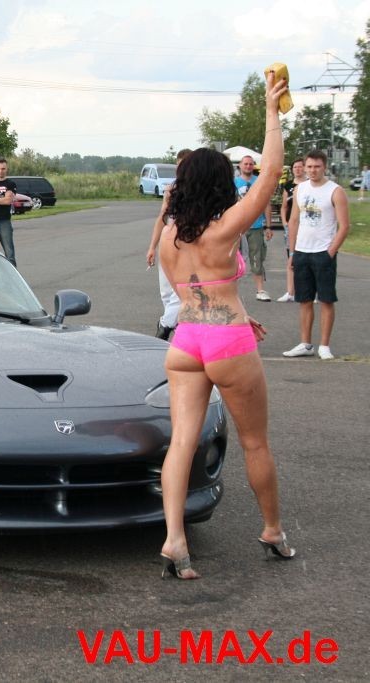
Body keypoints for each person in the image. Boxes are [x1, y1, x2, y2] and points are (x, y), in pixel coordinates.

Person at [157, 73, 295, 579]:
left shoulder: (170, 233)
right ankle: (272, 530)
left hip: (186, 339)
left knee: (181, 442)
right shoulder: (224, 227)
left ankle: (174, 540)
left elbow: (192, 291)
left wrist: (237, 309)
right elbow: (271, 173)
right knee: (255, 442)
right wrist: (272, 112)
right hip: (226, 340)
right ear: (219, 184)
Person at [282, 150, 350, 360]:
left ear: (324, 167)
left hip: (323, 252)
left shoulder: (335, 191)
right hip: (302, 251)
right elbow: (294, 221)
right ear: (304, 167)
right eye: (309, 166)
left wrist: (330, 252)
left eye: (317, 166)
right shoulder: (300, 189)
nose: (312, 170)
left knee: (326, 300)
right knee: (304, 300)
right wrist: (293, 251)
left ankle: (324, 345)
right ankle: (305, 343)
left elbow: (344, 226)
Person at [147, 149, 191, 340]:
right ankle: (175, 326)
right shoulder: (171, 189)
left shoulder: (199, 189)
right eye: (179, 165)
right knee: (166, 293)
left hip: (185, 247)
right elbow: (162, 218)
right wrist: (152, 246)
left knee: (179, 291)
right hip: (167, 245)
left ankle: (165, 325)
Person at [235, 155, 274, 301]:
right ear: (240, 165)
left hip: (256, 226)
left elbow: (266, 204)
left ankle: (260, 290)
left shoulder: (259, 182)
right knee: (234, 259)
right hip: (238, 226)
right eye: (245, 164)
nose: (248, 166)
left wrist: (268, 226)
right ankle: (232, 292)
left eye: (251, 164)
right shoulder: (234, 183)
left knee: (257, 258)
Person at [276, 159, 306, 302]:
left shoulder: (308, 185)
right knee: (291, 258)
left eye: (300, 167)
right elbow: (284, 207)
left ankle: (307, 291)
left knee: (305, 259)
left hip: (305, 226)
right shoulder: (288, 186)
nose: (298, 169)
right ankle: (290, 292)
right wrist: (284, 223)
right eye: (295, 167)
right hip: (291, 226)